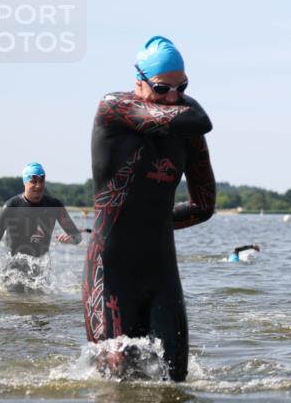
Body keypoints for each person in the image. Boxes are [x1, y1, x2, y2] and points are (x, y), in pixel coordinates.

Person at [83, 35, 215, 382]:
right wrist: (129, 225)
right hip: (110, 269)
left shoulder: (188, 130)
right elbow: (198, 117)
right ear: (138, 80)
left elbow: (203, 205)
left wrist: (151, 223)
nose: (173, 97)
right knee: (117, 379)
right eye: (161, 88)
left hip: (160, 270)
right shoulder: (112, 109)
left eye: (181, 87)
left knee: (176, 379)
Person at [0, 163, 81, 294]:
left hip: (39, 272)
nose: (38, 185)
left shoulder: (54, 206)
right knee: (17, 305)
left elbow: (78, 237)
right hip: (13, 272)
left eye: (41, 181)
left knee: (40, 310)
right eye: (33, 181)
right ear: (25, 182)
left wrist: (71, 239)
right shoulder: (11, 206)